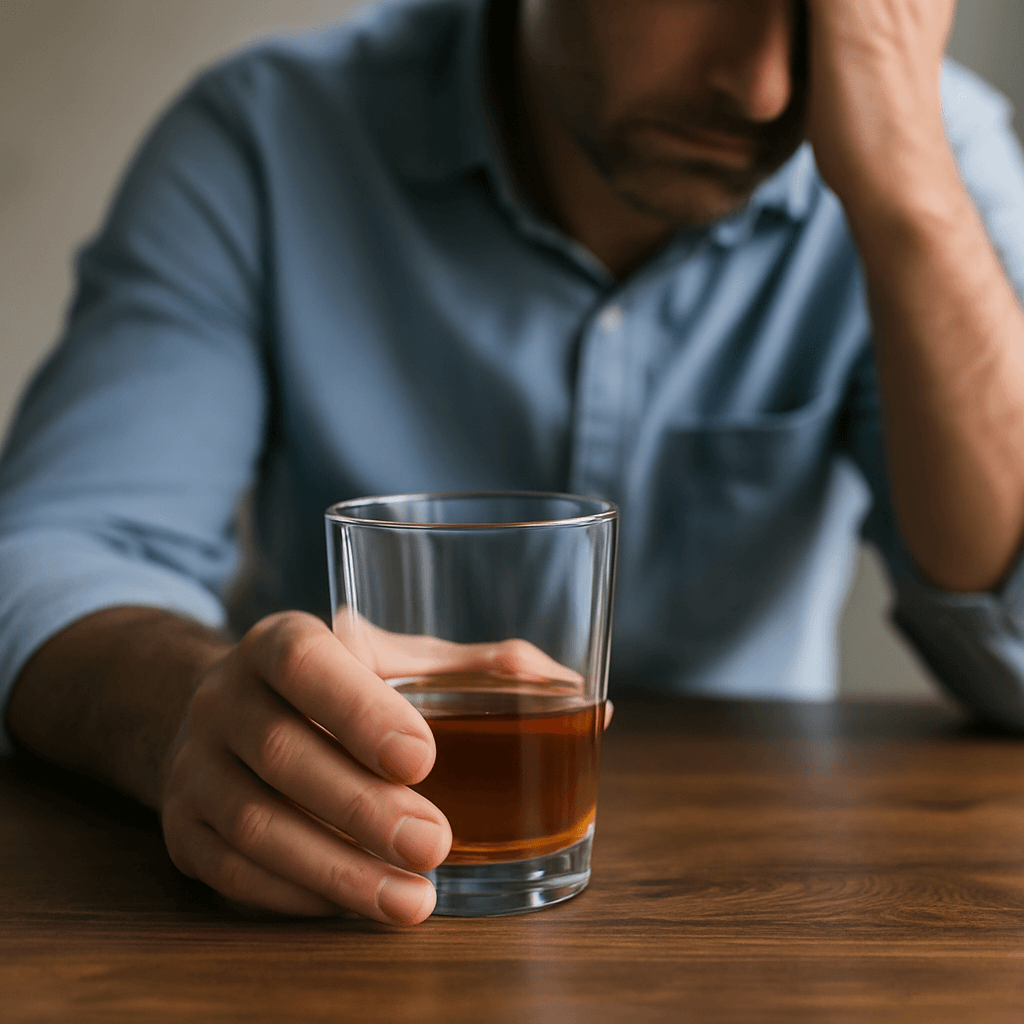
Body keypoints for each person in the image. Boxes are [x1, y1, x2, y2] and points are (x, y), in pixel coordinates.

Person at [3, 0, 1024, 925]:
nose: (760, 90)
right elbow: (50, 548)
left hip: (762, 916)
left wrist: (913, 208)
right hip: (335, 916)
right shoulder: (269, 135)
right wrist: (189, 713)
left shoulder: (931, 160)